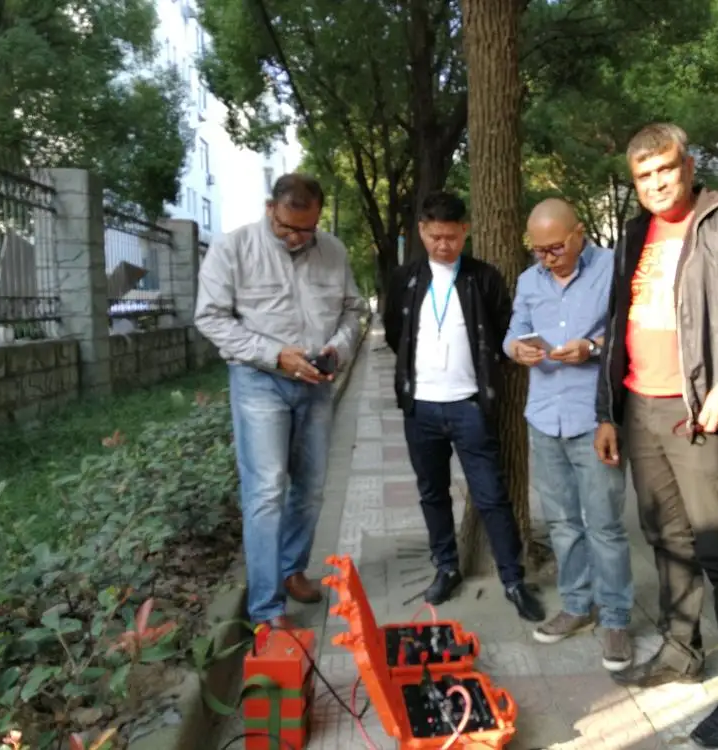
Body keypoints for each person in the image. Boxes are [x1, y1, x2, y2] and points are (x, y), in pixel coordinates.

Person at [594, 123, 718, 748]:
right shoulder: (634, 233)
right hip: (639, 408)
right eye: (644, 175)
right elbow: (618, 324)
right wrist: (608, 412)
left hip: (698, 412)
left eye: (666, 169)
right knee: (665, 537)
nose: (657, 184)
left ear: (687, 165)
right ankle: (682, 651)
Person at [194, 174, 367, 631]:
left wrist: (338, 349)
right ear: (271, 208)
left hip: (317, 382)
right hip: (259, 381)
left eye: (307, 229)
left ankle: (292, 569)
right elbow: (210, 318)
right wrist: (275, 355)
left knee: (311, 488)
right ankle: (267, 609)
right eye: (288, 227)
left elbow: (354, 309)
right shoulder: (233, 249)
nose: (297, 238)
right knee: (267, 490)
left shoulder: (333, 250)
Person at [383, 191, 545, 623]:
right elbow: (395, 333)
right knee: (432, 492)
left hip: (470, 406)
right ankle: (447, 567)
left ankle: (513, 579)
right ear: (421, 231)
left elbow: (503, 330)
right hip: (421, 407)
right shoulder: (404, 279)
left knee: (491, 494)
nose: (443, 245)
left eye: (452, 237)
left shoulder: (483, 278)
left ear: (465, 231)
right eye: (435, 237)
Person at [504, 198, 635, 671]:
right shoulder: (529, 280)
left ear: (579, 233)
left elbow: (630, 332)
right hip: (544, 416)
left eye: (555, 248)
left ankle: (616, 617)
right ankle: (577, 605)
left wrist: (592, 348)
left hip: (593, 418)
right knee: (561, 522)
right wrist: (516, 349)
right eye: (538, 250)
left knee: (604, 524)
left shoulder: (613, 268)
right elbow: (514, 330)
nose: (547, 259)